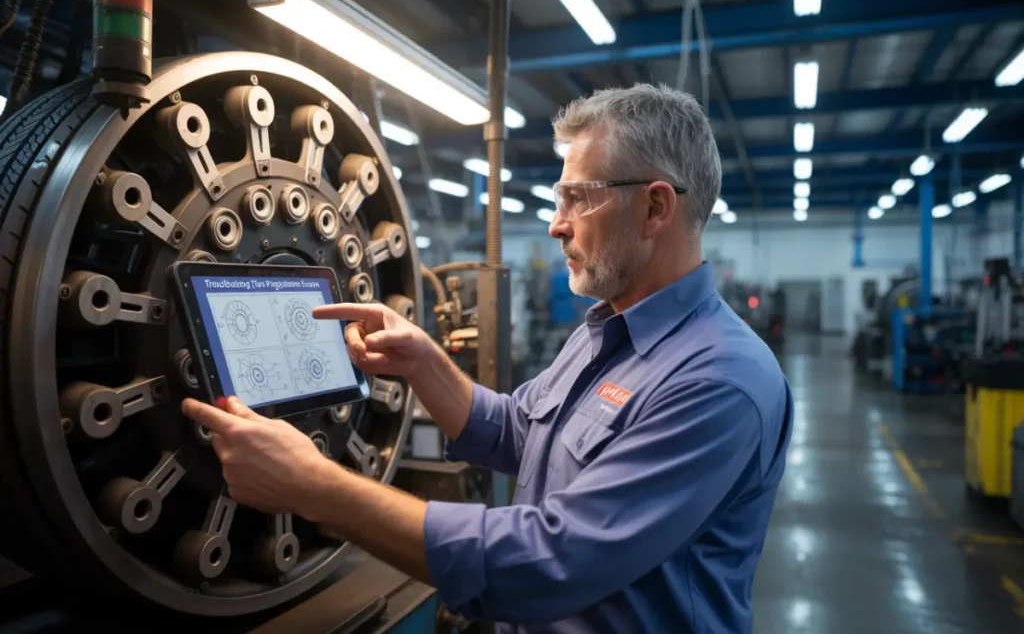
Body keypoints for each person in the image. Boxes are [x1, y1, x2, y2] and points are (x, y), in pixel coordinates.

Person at [183, 83, 793, 632]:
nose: (557, 225)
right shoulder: (604, 329)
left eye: (578, 199)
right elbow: (515, 430)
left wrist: (314, 487)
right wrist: (423, 362)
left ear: (657, 207)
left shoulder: (720, 381)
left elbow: (549, 564)